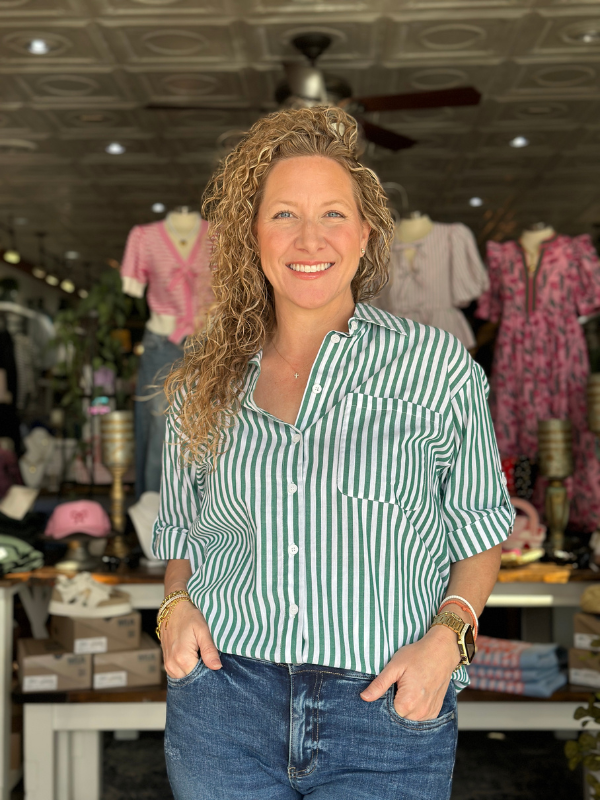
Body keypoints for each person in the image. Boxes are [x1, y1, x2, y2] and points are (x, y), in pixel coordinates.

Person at [153, 106, 514, 800]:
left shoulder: (434, 366)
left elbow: (479, 530)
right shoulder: (205, 380)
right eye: (284, 214)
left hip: (385, 707)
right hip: (224, 703)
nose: (309, 238)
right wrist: (175, 610)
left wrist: (448, 642)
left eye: (333, 215)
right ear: (251, 236)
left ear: (365, 233)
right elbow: (184, 531)